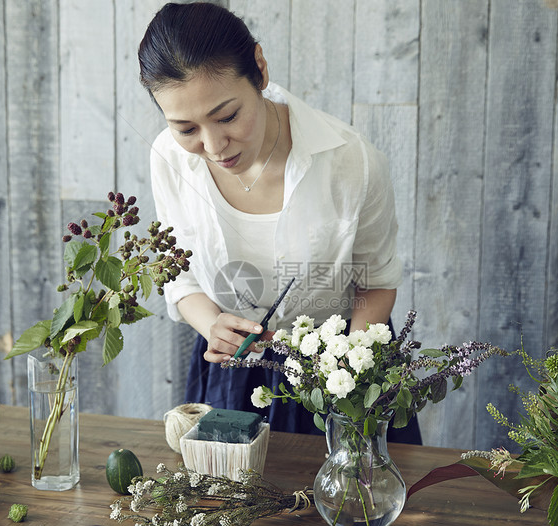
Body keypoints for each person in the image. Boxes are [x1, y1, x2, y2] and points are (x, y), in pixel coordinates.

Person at [139, 2, 421, 444]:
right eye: (185, 128)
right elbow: (179, 278)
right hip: (233, 376)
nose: (213, 145)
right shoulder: (168, 159)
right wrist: (211, 324)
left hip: (342, 376)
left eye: (227, 116)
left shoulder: (350, 161)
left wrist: (347, 372)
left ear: (260, 68)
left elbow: (376, 282)